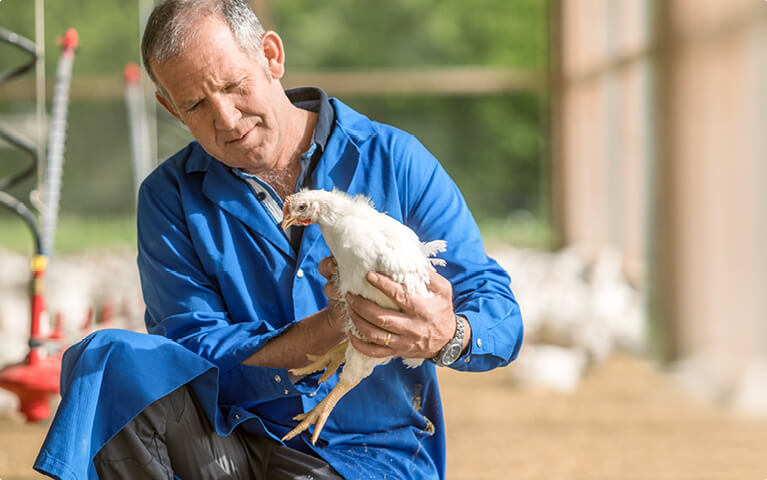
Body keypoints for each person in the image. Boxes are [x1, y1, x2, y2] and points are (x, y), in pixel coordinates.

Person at [34, 0, 523, 478]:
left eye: (232, 85)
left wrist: (448, 334)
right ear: (170, 108)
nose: (225, 118)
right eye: (197, 104)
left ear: (271, 56)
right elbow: (191, 351)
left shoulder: (394, 160)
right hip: (231, 437)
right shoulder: (170, 197)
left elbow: (498, 311)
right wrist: (333, 324)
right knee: (108, 363)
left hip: (369, 455)